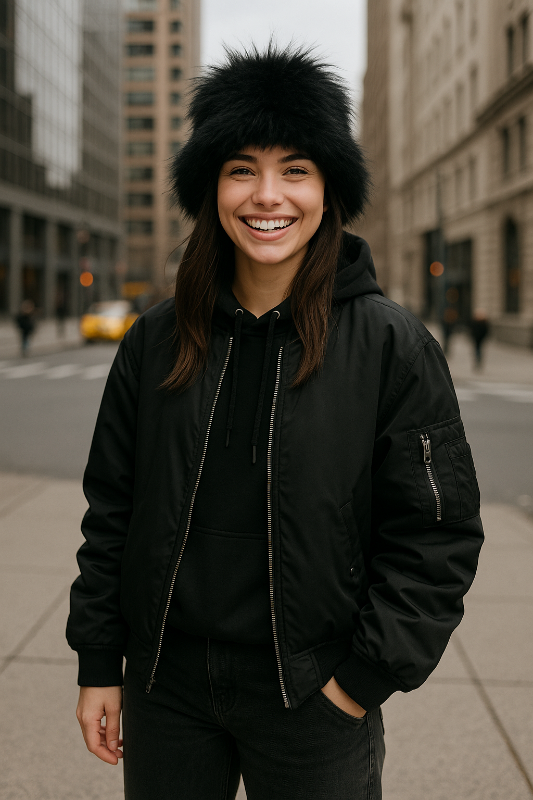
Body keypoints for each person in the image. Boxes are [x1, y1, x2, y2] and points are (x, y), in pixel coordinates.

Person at [67, 45, 484, 800]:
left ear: (328, 187)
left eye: (294, 169)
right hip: (166, 690)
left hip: (314, 693)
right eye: (240, 169)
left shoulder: (391, 344)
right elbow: (112, 515)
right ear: (210, 188)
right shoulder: (153, 341)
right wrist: (101, 663)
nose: (267, 196)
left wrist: (359, 681)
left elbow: (435, 534)